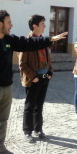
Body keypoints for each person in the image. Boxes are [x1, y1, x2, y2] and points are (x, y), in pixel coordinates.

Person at [0, 10, 67, 154]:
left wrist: (50, 40)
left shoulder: (9, 39)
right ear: (0, 24)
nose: (11, 25)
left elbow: (28, 43)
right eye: (8, 22)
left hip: (7, 87)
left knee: (3, 121)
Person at [18, 15, 53, 143]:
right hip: (33, 79)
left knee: (39, 106)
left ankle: (38, 129)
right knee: (30, 106)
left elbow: (49, 58)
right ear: (34, 26)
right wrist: (33, 77)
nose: (44, 26)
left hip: (44, 78)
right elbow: (22, 64)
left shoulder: (43, 41)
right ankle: (27, 131)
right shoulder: (26, 42)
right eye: (42, 23)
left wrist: (50, 72)